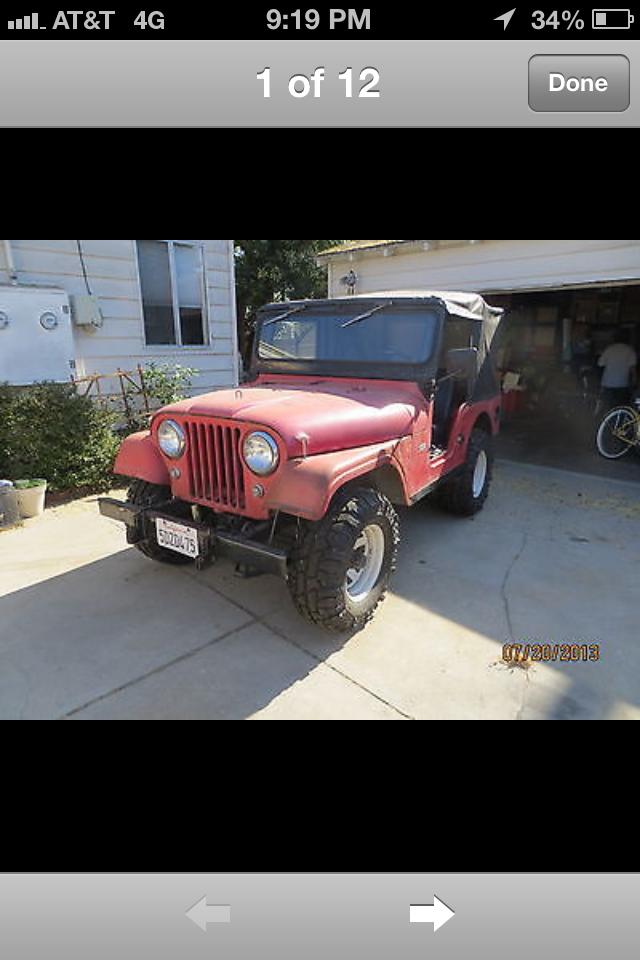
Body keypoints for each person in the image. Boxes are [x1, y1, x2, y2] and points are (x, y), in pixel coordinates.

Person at [598, 330, 637, 409]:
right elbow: (633, 370)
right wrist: (634, 383)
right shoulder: (630, 350)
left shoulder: (609, 349)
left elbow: (600, 364)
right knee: (621, 408)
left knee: (607, 409)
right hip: (622, 384)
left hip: (607, 384)